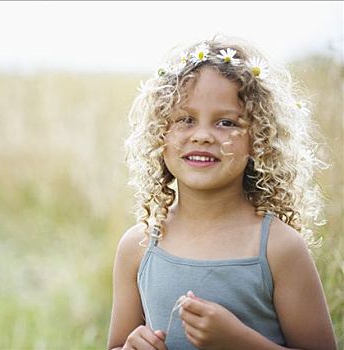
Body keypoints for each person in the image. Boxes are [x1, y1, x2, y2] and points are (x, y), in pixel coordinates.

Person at [107, 36, 337, 350]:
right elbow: (118, 344)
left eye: (226, 122)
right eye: (185, 120)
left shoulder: (278, 248)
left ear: (258, 140)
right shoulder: (139, 245)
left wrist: (239, 341)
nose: (202, 135)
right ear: (160, 133)